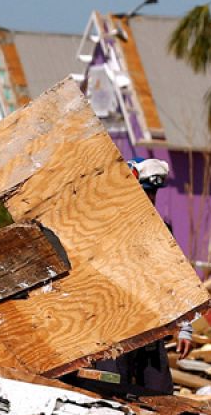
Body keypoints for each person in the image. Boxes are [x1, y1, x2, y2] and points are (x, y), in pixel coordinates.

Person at [79, 157, 191, 398]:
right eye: (145, 193)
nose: (150, 200)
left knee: (159, 396)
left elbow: (176, 278)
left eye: (153, 194)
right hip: (112, 331)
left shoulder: (162, 230)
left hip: (150, 331)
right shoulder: (104, 229)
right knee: (111, 395)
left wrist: (185, 327)